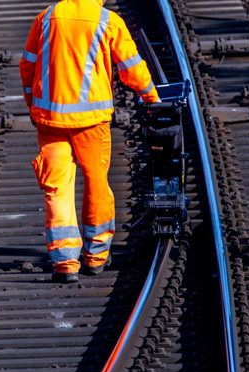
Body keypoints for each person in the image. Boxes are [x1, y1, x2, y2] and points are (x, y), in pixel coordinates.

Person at [20, 0, 161, 283]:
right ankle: (96, 257)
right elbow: (131, 67)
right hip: (92, 123)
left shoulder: (47, 17)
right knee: (96, 183)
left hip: (51, 121)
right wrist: (152, 98)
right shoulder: (106, 20)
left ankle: (64, 263)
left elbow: (28, 67)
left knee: (57, 189)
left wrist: (32, 105)